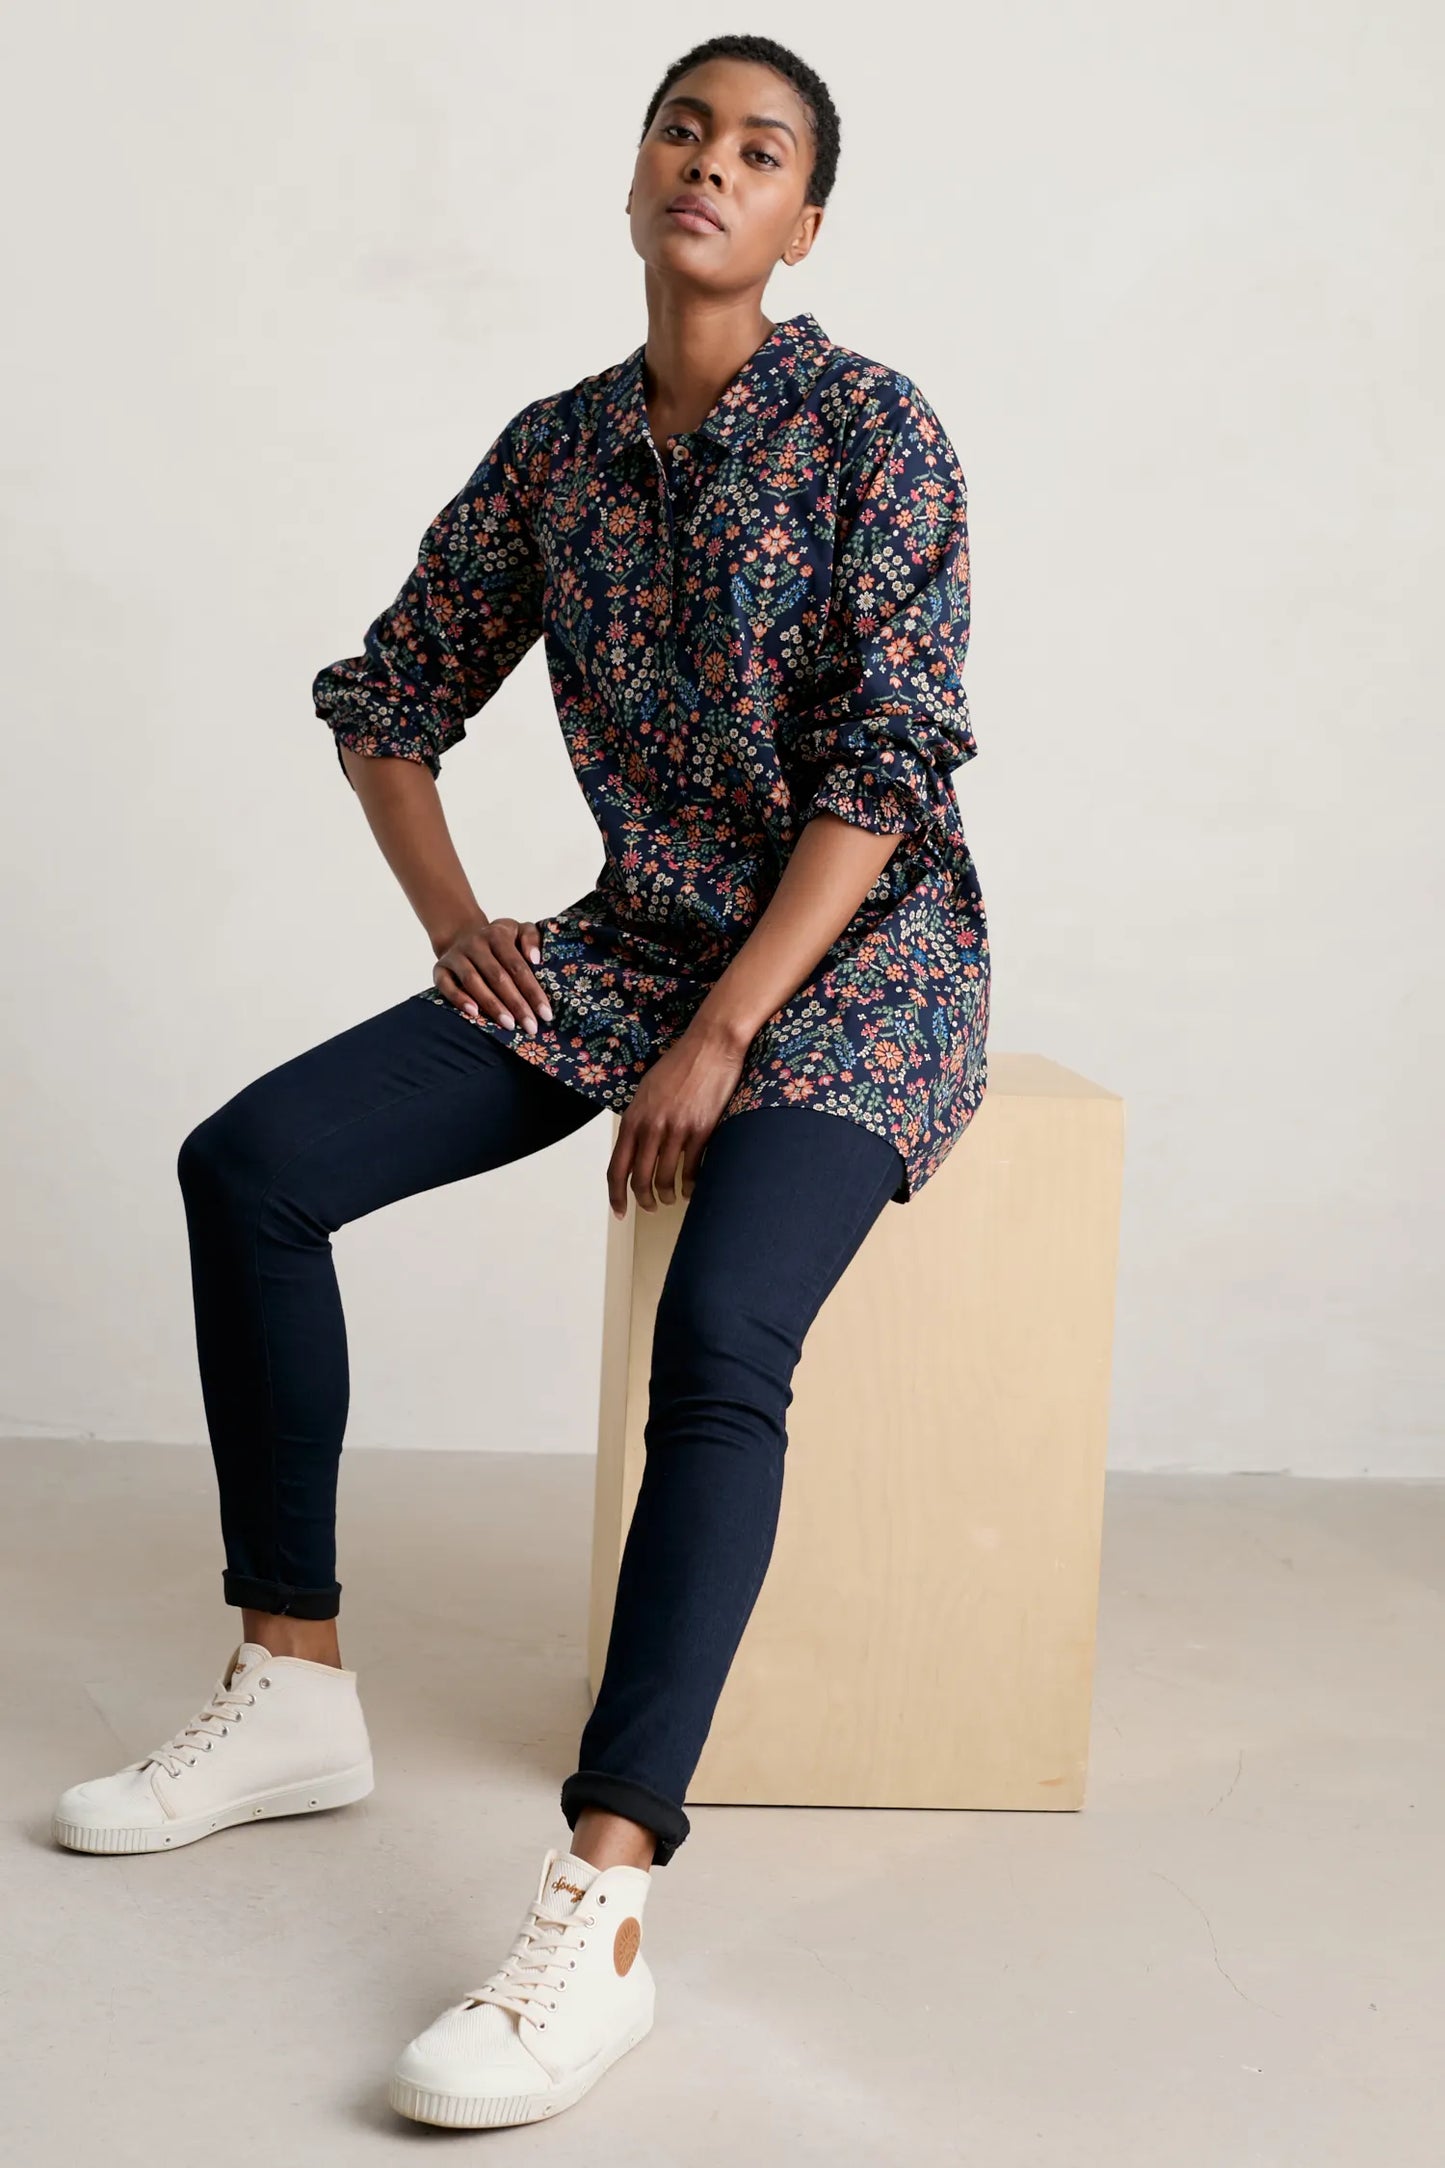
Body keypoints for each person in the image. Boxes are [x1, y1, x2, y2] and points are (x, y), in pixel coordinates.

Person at [51, 31, 990, 2131]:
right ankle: (289, 1683)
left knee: (725, 1332)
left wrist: (727, 1033)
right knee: (251, 1165)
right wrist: (461, 923)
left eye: (760, 150)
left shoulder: (874, 429)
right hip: (636, 945)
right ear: (640, 173)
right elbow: (387, 697)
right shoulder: (556, 453)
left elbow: (884, 767)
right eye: (684, 129)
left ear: (804, 223)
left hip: (859, 963)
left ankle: (604, 1898)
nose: (711, 164)